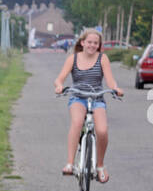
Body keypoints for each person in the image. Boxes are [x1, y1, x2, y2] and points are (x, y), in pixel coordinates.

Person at [53, 28, 123, 182]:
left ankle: (100, 165)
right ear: (83, 42)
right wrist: (59, 86)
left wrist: (116, 89)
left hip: (97, 98)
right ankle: (70, 164)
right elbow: (60, 78)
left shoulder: (102, 59)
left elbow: (110, 81)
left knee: (102, 131)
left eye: (95, 43)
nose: (92, 45)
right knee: (77, 123)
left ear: (99, 45)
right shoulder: (73, 59)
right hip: (78, 97)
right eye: (89, 42)